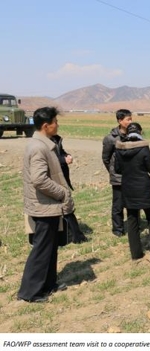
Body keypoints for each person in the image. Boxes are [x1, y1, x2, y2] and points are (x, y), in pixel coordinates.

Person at [18, 107, 74, 303]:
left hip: (48, 205)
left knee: (50, 247)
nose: (57, 125)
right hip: (43, 206)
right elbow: (39, 179)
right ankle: (30, 293)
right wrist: (62, 192)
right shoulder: (38, 148)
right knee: (42, 250)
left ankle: (48, 284)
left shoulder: (44, 143)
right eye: (55, 122)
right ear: (46, 126)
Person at [115, 123, 150, 260]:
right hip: (143, 188)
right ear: (140, 132)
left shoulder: (120, 148)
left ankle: (136, 254)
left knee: (132, 219)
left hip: (128, 188)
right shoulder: (143, 148)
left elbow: (117, 169)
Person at [50, 134, 88, 244]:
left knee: (66, 206)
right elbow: (49, 159)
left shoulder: (55, 138)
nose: (57, 125)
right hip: (53, 178)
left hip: (61, 176)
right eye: (54, 122)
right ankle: (76, 236)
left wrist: (67, 155)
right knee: (65, 206)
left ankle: (75, 235)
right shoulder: (43, 142)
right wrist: (63, 159)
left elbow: (59, 152)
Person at [102, 109, 133, 237]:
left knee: (132, 203)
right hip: (118, 177)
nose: (131, 122)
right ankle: (118, 229)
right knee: (118, 205)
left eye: (131, 119)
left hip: (132, 176)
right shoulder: (110, 138)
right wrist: (113, 171)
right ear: (120, 121)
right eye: (128, 119)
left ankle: (133, 227)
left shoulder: (133, 136)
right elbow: (106, 158)